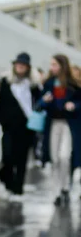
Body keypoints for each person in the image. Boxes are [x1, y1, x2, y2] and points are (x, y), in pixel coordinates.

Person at [0, 52, 42, 202]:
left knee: (21, 159)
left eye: (23, 65)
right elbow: (0, 102)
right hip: (8, 127)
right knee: (7, 157)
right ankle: (8, 184)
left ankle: (18, 190)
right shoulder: (6, 81)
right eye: (18, 64)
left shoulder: (34, 85)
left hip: (26, 128)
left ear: (28, 67)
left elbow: (38, 103)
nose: (20, 67)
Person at [39, 54, 81, 206]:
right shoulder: (49, 83)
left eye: (54, 64)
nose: (52, 68)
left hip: (68, 124)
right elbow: (40, 103)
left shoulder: (73, 84)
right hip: (53, 124)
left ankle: (65, 187)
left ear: (62, 66)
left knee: (64, 157)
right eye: (51, 65)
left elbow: (79, 102)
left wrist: (73, 105)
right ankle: (57, 191)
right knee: (54, 158)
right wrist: (45, 101)